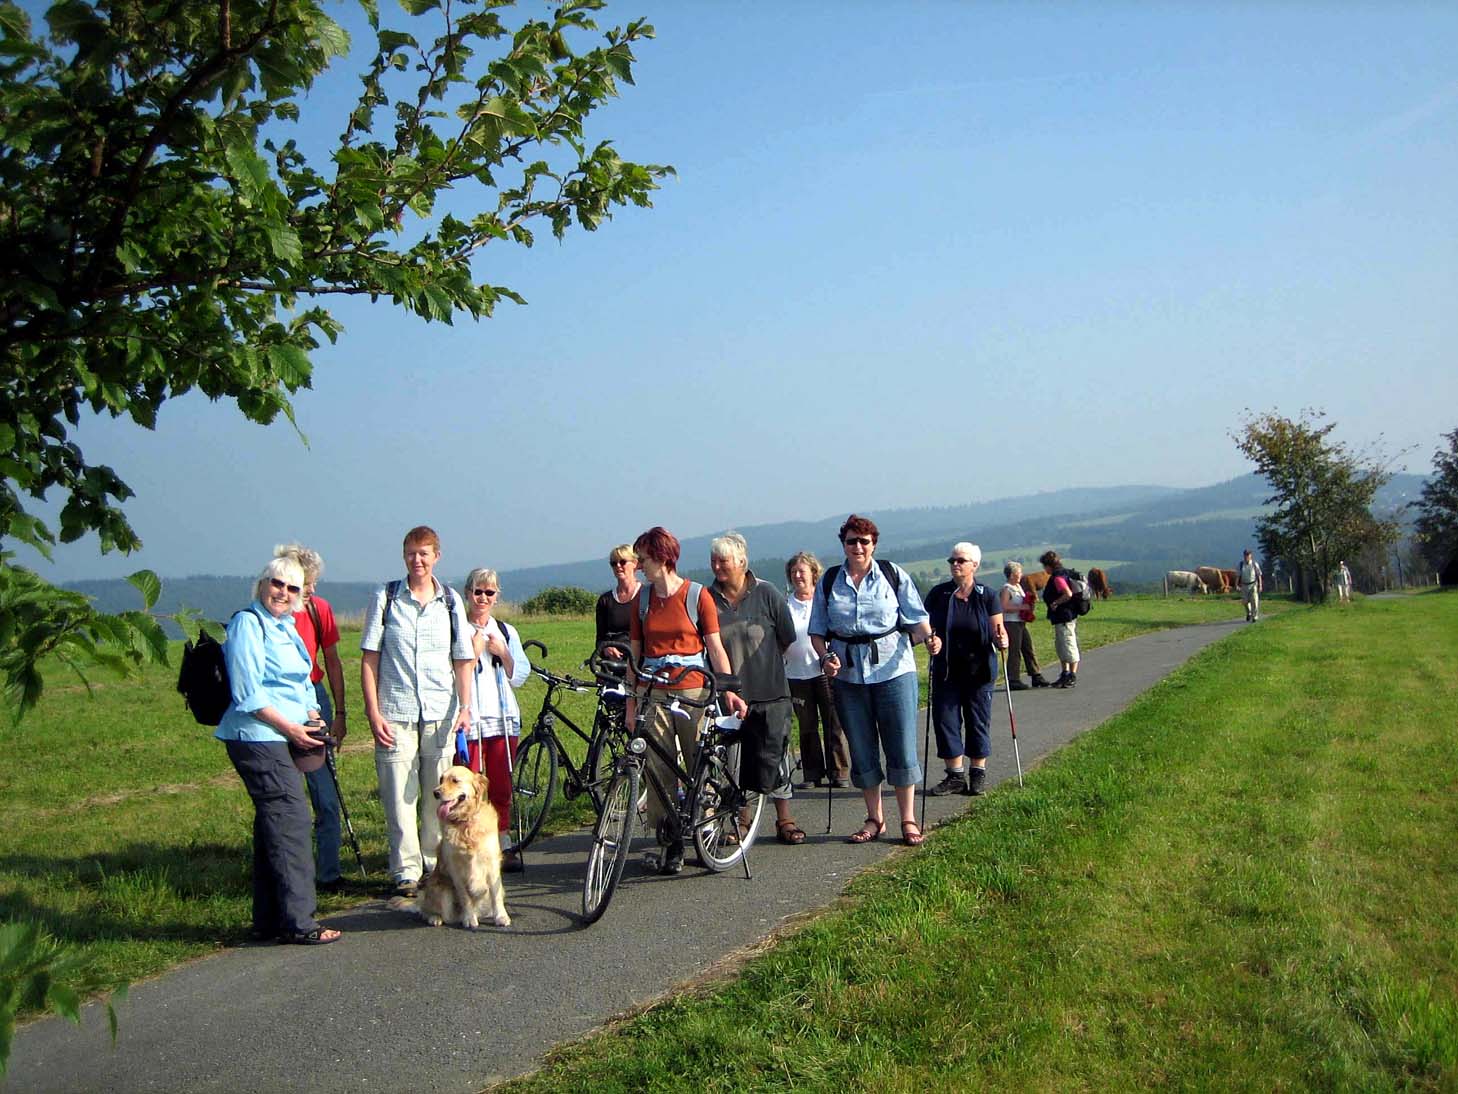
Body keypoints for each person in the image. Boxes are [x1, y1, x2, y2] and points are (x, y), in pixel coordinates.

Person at [215, 556, 340, 945]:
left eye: (292, 588)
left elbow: (302, 681)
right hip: (256, 735)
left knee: (273, 825)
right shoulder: (247, 625)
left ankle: (269, 920)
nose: (282, 593)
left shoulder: (286, 627)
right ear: (262, 583)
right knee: (293, 821)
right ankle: (300, 923)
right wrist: (290, 728)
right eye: (277, 584)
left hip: (286, 734)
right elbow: (247, 693)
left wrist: (313, 715)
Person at [360, 526, 474, 898]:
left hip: (441, 712)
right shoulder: (387, 596)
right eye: (411, 553)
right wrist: (373, 711)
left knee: (435, 797)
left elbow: (462, 658)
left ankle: (433, 864)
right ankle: (405, 871)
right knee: (399, 796)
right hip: (396, 710)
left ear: (436, 556)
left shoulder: (451, 601)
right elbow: (370, 658)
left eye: (424, 553)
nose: (417, 560)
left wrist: (465, 707)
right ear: (403, 555)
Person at [626, 526, 746, 874]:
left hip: (694, 692)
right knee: (658, 769)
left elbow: (715, 648)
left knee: (698, 765)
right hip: (654, 692)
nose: (638, 566)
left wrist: (728, 691)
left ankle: (705, 831)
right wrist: (633, 702)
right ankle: (670, 843)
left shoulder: (696, 596)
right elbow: (636, 655)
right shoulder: (643, 600)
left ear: (663, 559)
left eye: (643, 559)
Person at [810, 514, 933, 847]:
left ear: (874, 544)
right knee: (861, 747)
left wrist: (931, 638)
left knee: (901, 744)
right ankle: (875, 818)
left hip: (894, 671)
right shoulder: (830, 580)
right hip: (848, 675)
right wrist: (825, 658)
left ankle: (908, 818)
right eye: (852, 541)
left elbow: (916, 618)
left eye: (864, 541)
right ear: (844, 545)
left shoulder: (892, 575)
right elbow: (818, 630)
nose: (858, 546)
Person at [707, 533, 805, 846]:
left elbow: (787, 637)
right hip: (731, 696)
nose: (717, 566)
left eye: (723, 560)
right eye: (714, 560)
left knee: (774, 758)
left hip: (770, 690)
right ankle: (741, 821)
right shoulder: (708, 598)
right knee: (734, 762)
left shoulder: (767, 593)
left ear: (741, 563)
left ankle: (784, 819)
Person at [460, 568, 531, 872]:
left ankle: (502, 840)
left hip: (502, 719)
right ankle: (471, 842)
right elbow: (452, 673)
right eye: (478, 592)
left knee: (501, 784)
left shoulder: (506, 630)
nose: (483, 598)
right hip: (470, 719)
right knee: (469, 785)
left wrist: (503, 652)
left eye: (489, 593)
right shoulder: (457, 628)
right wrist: (473, 654)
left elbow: (520, 676)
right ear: (468, 594)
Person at [924, 543, 1008, 797]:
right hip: (946, 670)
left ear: (975, 565)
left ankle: (977, 773)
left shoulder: (987, 595)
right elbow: (925, 627)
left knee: (977, 721)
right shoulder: (939, 594)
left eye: (961, 560)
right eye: (952, 560)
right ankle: (955, 776)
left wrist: (1002, 641)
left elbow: (998, 631)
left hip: (978, 671)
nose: (955, 564)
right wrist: (931, 640)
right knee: (945, 721)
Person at [783, 551, 850, 789]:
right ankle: (812, 774)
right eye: (793, 572)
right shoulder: (785, 604)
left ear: (814, 573)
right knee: (807, 725)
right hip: (796, 674)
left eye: (802, 571)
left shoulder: (824, 601)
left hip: (824, 672)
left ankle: (838, 771)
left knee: (833, 721)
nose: (797, 576)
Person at [1000, 561, 1049, 690]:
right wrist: (1022, 607)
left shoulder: (1018, 587)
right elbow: (1004, 606)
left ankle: (1036, 675)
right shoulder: (1007, 589)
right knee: (1015, 651)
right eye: (1019, 572)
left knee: (1028, 648)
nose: (1021, 574)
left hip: (1020, 622)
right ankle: (1013, 679)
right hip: (1011, 623)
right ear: (1012, 575)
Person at [1038, 550, 1081, 687]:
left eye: (1045, 566)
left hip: (1064, 617)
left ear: (1048, 565)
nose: (1044, 569)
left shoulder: (1057, 577)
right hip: (1063, 617)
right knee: (1061, 645)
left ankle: (1072, 676)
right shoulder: (1064, 573)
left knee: (1068, 644)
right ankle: (1065, 674)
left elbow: (1067, 594)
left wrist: (1056, 603)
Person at [594, 544, 641, 659]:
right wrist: (605, 649)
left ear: (635, 563)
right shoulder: (605, 600)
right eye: (613, 563)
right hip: (612, 667)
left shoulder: (646, 595)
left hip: (639, 664)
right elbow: (600, 639)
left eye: (623, 562)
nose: (618, 566)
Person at [1238, 548, 1263, 622]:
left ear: (1250, 556)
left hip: (1253, 584)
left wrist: (1260, 585)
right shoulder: (1241, 564)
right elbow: (1238, 575)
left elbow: (1259, 575)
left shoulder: (1254, 564)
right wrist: (1237, 585)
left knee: (1254, 600)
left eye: (1248, 555)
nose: (1246, 556)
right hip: (1244, 585)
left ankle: (1254, 616)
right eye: (1245, 555)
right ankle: (1248, 613)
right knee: (1245, 602)